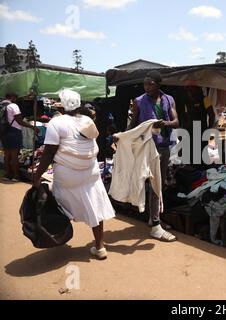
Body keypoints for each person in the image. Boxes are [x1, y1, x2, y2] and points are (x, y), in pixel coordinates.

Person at [33, 89, 115, 260]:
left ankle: (58, 238)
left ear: (62, 104)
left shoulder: (56, 123)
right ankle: (99, 247)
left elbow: (48, 153)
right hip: (90, 173)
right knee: (94, 208)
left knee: (59, 206)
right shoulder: (87, 120)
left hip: (67, 176)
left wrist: (37, 175)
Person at [124, 70, 179, 242]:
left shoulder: (169, 99)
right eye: (144, 84)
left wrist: (166, 123)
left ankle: (154, 220)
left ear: (158, 84)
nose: (147, 87)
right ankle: (153, 219)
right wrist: (125, 139)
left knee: (157, 184)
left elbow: (177, 121)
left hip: (162, 148)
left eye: (150, 84)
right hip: (145, 146)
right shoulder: (139, 101)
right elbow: (133, 125)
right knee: (143, 181)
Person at [1, 93, 39, 182]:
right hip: (14, 131)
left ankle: (7, 174)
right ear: (13, 97)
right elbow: (20, 121)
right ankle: (16, 176)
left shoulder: (1, 104)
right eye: (16, 98)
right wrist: (33, 127)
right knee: (14, 155)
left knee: (7, 154)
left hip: (4, 132)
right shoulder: (13, 106)